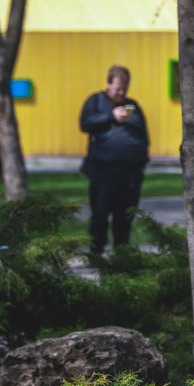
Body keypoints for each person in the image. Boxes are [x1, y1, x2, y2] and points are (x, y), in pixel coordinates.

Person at [80, 64, 149, 256]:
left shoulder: (131, 105)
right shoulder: (96, 101)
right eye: (118, 88)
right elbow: (85, 124)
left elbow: (143, 133)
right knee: (100, 214)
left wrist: (142, 161)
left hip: (130, 172)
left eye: (124, 88)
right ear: (109, 84)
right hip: (103, 170)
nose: (121, 92)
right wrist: (111, 116)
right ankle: (96, 252)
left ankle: (122, 254)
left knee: (124, 217)